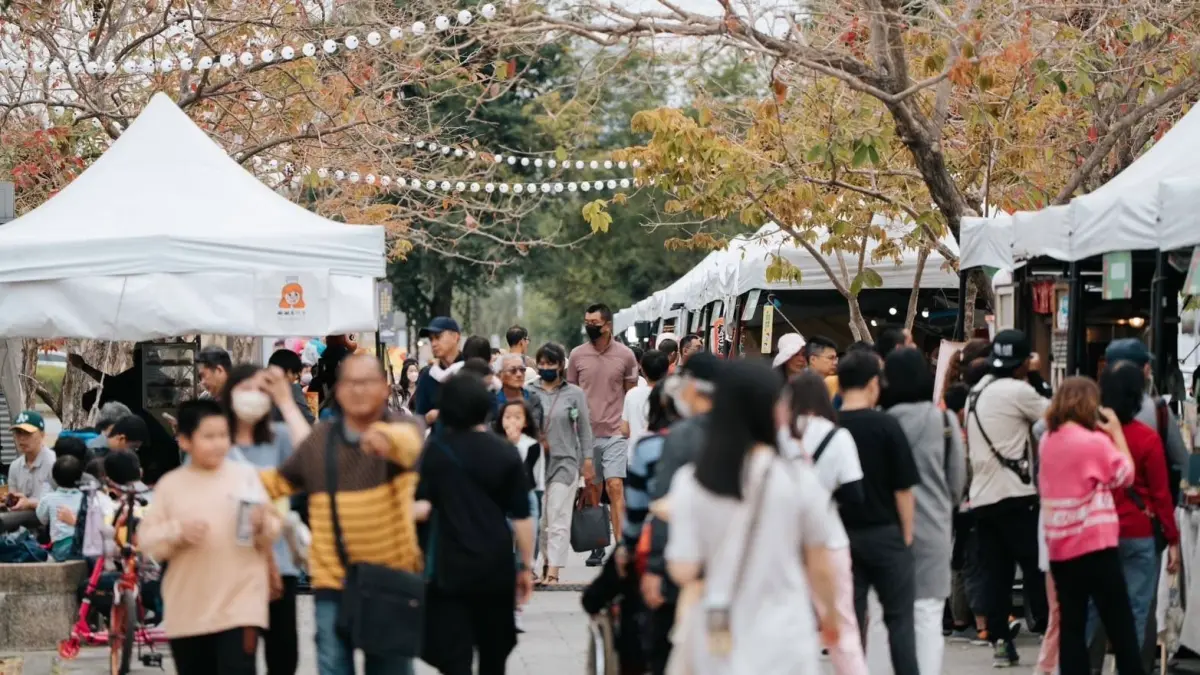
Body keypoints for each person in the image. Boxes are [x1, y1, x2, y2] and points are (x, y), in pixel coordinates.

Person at [663, 359, 839, 674]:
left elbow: (683, 568)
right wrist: (832, 619)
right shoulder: (798, 480)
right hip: (786, 639)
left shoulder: (693, 483)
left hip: (719, 637)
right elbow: (821, 567)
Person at [259, 355, 425, 675]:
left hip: (389, 582)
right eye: (351, 383)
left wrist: (385, 440)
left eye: (367, 382)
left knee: (390, 669)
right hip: (332, 582)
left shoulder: (403, 427)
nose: (359, 390)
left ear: (384, 388)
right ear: (339, 390)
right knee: (333, 667)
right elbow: (275, 483)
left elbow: (411, 446)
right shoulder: (321, 439)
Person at [141, 400, 281, 675]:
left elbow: (274, 527)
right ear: (184, 441)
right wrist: (178, 531)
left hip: (240, 607)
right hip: (188, 610)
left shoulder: (246, 477)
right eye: (209, 436)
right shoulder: (171, 485)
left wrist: (262, 523)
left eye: (223, 436)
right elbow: (147, 542)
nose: (218, 443)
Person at [418, 373, 535, 675]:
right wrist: (524, 567)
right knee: (494, 655)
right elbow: (522, 517)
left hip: (450, 565)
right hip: (495, 566)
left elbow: (421, 506)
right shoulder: (505, 452)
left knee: (454, 657)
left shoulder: (435, 452)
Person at [1039, 377, 1145, 675]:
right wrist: (1116, 433)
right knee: (1120, 624)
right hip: (1095, 545)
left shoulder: (1048, 441)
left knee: (1072, 627)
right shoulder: (1093, 442)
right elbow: (1125, 474)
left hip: (1060, 547)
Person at [966, 329, 1050, 667]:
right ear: (1021, 364)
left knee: (996, 573)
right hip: (1016, 496)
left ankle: (1001, 641)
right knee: (1035, 566)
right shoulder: (1019, 390)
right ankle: (1047, 632)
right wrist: (1038, 377)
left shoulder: (976, 391)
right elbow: (1057, 412)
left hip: (983, 499)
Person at [221, 364, 312, 675]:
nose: (253, 397)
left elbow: (312, 456)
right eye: (245, 389)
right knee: (236, 661)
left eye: (261, 390)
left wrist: (287, 401)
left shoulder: (281, 437)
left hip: (279, 566)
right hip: (229, 567)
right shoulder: (214, 441)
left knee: (283, 657)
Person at [833, 350, 920, 675]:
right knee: (900, 622)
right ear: (873, 384)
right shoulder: (887, 425)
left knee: (850, 625)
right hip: (886, 535)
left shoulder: (831, 426)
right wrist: (907, 537)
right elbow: (903, 489)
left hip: (841, 538)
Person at [882, 347, 967, 675]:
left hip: (888, 533)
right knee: (929, 619)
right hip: (933, 532)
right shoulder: (945, 421)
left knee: (889, 618)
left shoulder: (882, 423)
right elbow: (957, 482)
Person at [779, 371, 867, 675]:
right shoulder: (838, 436)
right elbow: (855, 494)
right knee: (842, 626)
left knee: (790, 627)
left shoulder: (780, 437)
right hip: (830, 541)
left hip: (787, 545)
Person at [1097, 362, 1180, 670]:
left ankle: (1090, 667)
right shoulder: (1147, 439)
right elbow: (1161, 496)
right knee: (1137, 608)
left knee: (1096, 606)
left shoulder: (1092, 437)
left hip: (1099, 532)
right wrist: (1173, 540)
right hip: (1140, 532)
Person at [643, 352, 720, 629]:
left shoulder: (682, 437)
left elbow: (666, 508)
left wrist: (654, 567)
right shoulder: (749, 434)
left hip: (690, 564)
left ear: (692, 386)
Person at [569, 303, 639, 567]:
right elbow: (571, 395)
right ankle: (598, 544)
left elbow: (630, 394)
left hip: (614, 434)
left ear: (607, 325)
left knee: (615, 485)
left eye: (594, 322)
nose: (589, 326)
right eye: (587, 321)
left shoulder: (626, 356)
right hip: (586, 435)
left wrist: (627, 425)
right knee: (593, 488)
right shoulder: (577, 356)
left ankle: (622, 546)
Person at [531, 342, 592, 585]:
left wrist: (587, 460)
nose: (545, 367)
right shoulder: (530, 392)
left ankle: (553, 570)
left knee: (558, 515)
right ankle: (542, 564)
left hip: (565, 462)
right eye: (542, 363)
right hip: (535, 464)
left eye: (550, 363)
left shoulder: (574, 394)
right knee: (540, 519)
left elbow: (585, 431)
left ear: (561, 365)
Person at [1105, 338, 1189, 505]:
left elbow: (1041, 429)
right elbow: (1182, 461)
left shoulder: (1087, 409)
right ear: (1143, 370)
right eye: (1146, 364)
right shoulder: (1158, 410)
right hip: (1145, 514)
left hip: (1098, 515)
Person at [413, 316, 464, 426]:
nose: (434, 343)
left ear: (455, 337)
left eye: (438, 337)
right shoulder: (428, 376)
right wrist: (428, 418)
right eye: (431, 339)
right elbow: (418, 419)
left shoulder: (470, 370)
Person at [36, 455, 86, 561]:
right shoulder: (85, 498)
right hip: (83, 545)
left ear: (54, 477)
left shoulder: (48, 498)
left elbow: (42, 518)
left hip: (60, 547)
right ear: (80, 477)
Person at [621, 349, 669, 458]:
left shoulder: (632, 394)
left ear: (642, 370)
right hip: (663, 455)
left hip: (636, 455)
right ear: (666, 371)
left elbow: (624, 430)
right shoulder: (671, 394)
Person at [8, 410, 54, 511]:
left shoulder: (54, 463)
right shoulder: (15, 466)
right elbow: (13, 500)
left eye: (28, 433)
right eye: (18, 433)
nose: (22, 438)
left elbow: (62, 501)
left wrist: (30, 503)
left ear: (42, 434)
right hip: (20, 523)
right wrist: (8, 502)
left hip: (48, 524)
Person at [495, 354, 545, 432]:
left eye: (522, 370)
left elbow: (535, 428)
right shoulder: (493, 401)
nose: (519, 374)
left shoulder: (533, 400)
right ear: (499, 375)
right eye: (513, 370)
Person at [269, 348, 317, 424]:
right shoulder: (292, 389)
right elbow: (309, 419)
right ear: (288, 372)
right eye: (294, 373)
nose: (295, 376)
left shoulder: (261, 389)